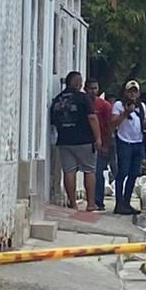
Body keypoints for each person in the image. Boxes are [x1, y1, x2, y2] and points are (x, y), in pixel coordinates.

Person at [49, 71, 102, 211]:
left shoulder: (58, 99)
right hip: (84, 140)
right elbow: (92, 117)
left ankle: (72, 203)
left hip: (64, 141)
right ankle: (91, 204)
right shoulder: (83, 98)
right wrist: (98, 137)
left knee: (69, 171)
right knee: (89, 170)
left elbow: (53, 121)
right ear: (78, 83)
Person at [111, 80, 146, 216]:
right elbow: (113, 123)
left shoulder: (141, 106)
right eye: (130, 91)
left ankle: (126, 202)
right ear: (125, 92)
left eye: (135, 91)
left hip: (138, 142)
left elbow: (142, 124)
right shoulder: (118, 105)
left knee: (134, 173)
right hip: (124, 142)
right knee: (123, 172)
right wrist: (126, 113)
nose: (132, 94)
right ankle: (119, 202)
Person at [87, 78, 115, 211]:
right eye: (91, 88)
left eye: (95, 88)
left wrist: (106, 145)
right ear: (86, 89)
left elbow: (109, 126)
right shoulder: (83, 103)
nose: (93, 91)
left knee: (97, 172)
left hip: (100, 143)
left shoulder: (104, 105)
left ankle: (98, 201)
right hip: (84, 142)